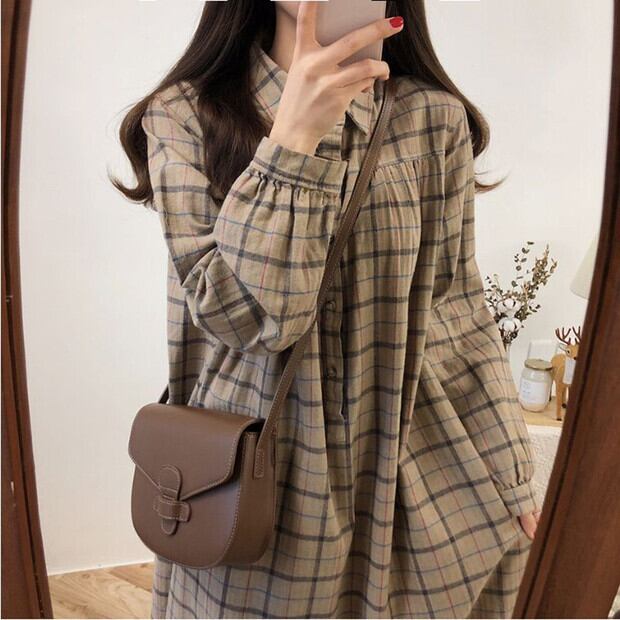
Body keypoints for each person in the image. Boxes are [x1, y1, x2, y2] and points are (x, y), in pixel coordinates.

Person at [113, 1, 541, 617]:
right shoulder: (184, 115)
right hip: (255, 475)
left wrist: (510, 469)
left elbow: (458, 313)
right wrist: (292, 142)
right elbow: (247, 319)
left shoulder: (432, 119)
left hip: (411, 467)